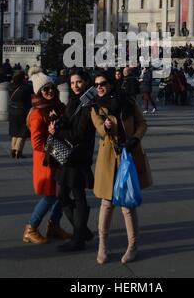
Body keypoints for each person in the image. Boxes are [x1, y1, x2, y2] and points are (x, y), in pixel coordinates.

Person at [91, 69, 151, 265]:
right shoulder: (95, 106)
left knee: (127, 205)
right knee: (106, 204)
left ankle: (132, 246)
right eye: (96, 84)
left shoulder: (128, 101)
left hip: (128, 155)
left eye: (102, 84)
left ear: (110, 83)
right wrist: (105, 127)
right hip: (108, 156)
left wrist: (135, 139)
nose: (99, 87)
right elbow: (98, 126)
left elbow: (142, 124)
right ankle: (102, 245)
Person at [23, 66, 71, 245]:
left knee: (63, 193)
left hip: (59, 157)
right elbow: (36, 143)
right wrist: (54, 138)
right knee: (51, 195)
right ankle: (31, 228)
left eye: (51, 87)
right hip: (47, 160)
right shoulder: (37, 113)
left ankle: (54, 226)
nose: (50, 91)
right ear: (39, 92)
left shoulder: (57, 107)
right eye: (45, 89)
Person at [49, 68, 96, 252]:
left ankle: (79, 236)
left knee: (77, 194)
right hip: (70, 155)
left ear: (86, 82)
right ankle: (82, 230)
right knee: (62, 195)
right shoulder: (75, 100)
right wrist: (58, 120)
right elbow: (69, 121)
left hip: (78, 154)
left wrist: (57, 132)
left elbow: (79, 134)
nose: (75, 86)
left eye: (79, 82)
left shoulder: (88, 104)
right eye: (73, 82)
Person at [8, 71, 32, 159]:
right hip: (23, 111)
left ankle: (12, 150)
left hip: (12, 110)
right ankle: (18, 151)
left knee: (15, 131)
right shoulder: (26, 88)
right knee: (23, 132)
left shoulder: (10, 86)